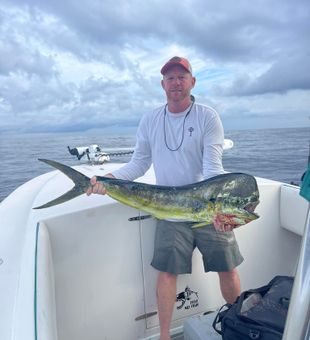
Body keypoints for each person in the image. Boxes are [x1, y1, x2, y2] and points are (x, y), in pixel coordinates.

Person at [86, 56, 243, 340]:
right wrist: (105, 181)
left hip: (207, 207)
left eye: (182, 77)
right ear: (162, 84)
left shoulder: (207, 116)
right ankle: (164, 336)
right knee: (167, 273)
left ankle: (240, 325)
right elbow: (139, 164)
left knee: (228, 268)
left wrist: (223, 210)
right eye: (170, 78)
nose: (176, 83)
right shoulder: (150, 119)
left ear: (192, 82)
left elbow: (213, 169)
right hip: (169, 210)